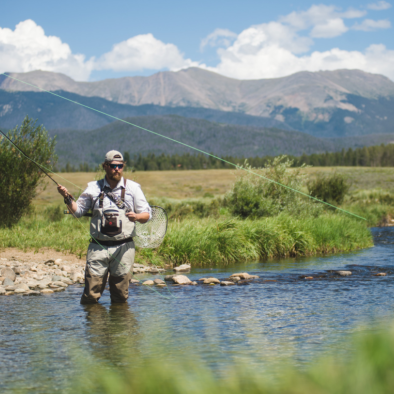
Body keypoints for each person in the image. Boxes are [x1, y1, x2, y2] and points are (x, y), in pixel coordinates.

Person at [57, 150, 151, 304]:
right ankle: (94, 327)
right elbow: (78, 212)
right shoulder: (93, 188)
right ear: (105, 166)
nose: (117, 169)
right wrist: (67, 197)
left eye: (120, 166)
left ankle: (119, 327)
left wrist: (137, 216)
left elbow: (147, 215)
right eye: (113, 165)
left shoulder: (133, 188)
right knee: (90, 297)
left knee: (120, 297)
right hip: (98, 248)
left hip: (124, 248)